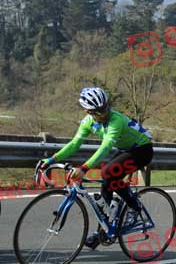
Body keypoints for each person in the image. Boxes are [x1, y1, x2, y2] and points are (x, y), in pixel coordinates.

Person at [40, 87, 153, 249]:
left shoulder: (116, 120)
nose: (104, 113)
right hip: (126, 149)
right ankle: (105, 231)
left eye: (106, 108)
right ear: (88, 111)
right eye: (99, 111)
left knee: (108, 173)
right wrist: (51, 159)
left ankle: (135, 207)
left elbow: (105, 147)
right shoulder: (87, 122)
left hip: (142, 150)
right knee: (106, 185)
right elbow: (74, 144)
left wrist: (84, 168)